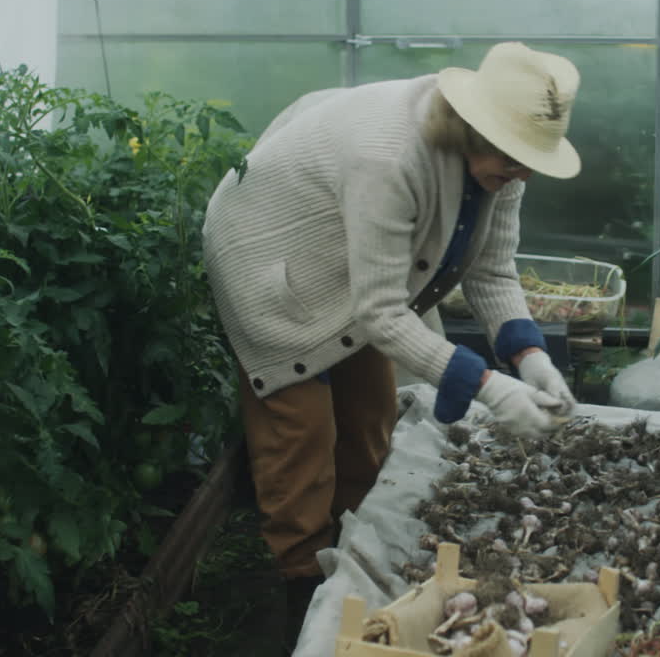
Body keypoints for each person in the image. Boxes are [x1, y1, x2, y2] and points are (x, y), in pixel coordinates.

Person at [200, 41, 582, 648]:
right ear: (470, 128)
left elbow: (492, 272)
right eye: (514, 159)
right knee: (302, 437)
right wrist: (489, 388)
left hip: (353, 268)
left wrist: (530, 358)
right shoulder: (391, 156)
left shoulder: (505, 158)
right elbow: (382, 314)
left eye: (530, 160)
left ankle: (353, 573)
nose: (523, 173)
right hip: (271, 261)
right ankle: (304, 597)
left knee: (372, 417)